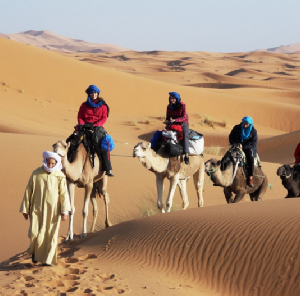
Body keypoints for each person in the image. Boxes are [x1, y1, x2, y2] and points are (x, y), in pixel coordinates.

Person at [20, 151, 70, 266]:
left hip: (53, 211)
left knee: (50, 234)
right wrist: (25, 209)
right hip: (36, 209)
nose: (50, 165)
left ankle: (47, 260)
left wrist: (64, 211)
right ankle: (35, 254)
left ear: (56, 163)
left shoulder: (60, 176)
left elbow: (63, 194)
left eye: (53, 163)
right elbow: (29, 191)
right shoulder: (36, 173)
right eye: (49, 163)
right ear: (45, 161)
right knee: (34, 232)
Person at [77, 84, 114, 176]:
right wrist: (82, 125)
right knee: (73, 141)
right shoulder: (84, 105)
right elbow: (80, 116)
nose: (93, 95)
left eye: (95, 93)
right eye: (91, 93)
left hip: (97, 127)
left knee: (104, 143)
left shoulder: (103, 105)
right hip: (85, 126)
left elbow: (104, 118)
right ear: (89, 94)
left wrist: (95, 125)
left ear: (97, 94)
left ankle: (108, 168)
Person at [229, 116, 257, 188]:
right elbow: (231, 136)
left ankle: (250, 178)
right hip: (236, 146)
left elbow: (253, 143)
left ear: (250, 124)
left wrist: (243, 146)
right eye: (244, 123)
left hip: (247, 148)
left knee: (250, 159)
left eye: (247, 124)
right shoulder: (237, 128)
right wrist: (234, 143)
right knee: (227, 157)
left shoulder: (253, 131)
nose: (245, 125)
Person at [164, 92, 190, 164]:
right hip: (173, 123)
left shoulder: (182, 105)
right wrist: (167, 121)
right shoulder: (169, 106)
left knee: (185, 135)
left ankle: (187, 155)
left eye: (174, 98)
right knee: (165, 133)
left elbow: (184, 117)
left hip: (183, 123)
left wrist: (175, 120)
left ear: (177, 99)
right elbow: (168, 117)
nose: (172, 100)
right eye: (171, 98)